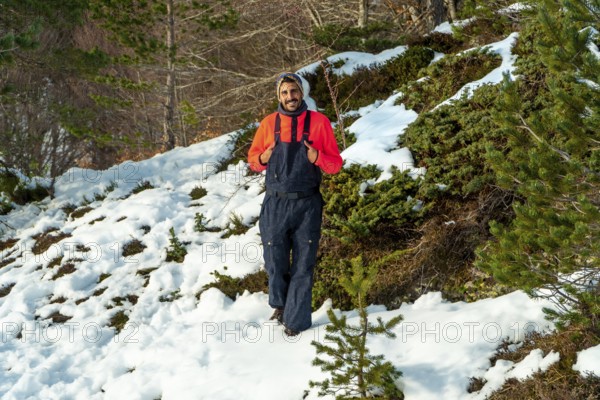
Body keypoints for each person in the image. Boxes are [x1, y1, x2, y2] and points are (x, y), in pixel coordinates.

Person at [248, 72, 343, 336]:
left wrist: (316, 157)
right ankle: (280, 305)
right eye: (284, 93)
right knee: (275, 260)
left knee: (303, 265)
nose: (290, 97)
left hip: (307, 205)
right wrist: (264, 157)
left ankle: (296, 322)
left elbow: (335, 165)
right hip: (275, 204)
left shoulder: (319, 123)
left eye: (294, 91)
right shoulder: (268, 124)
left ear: (302, 93)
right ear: (278, 96)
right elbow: (253, 162)